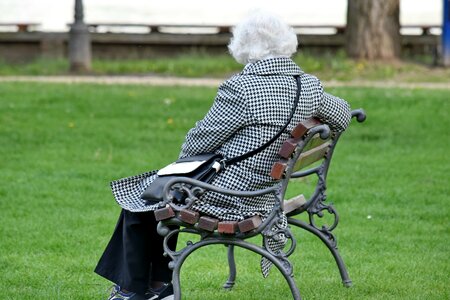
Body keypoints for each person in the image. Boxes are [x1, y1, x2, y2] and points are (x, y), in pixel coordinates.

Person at [95, 10, 351, 300]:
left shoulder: (241, 88)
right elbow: (342, 115)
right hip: (266, 193)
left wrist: (184, 164)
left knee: (145, 196)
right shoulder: (308, 86)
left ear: (242, 45)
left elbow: (198, 142)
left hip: (231, 197)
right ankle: (156, 287)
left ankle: (135, 291)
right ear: (286, 43)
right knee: (160, 191)